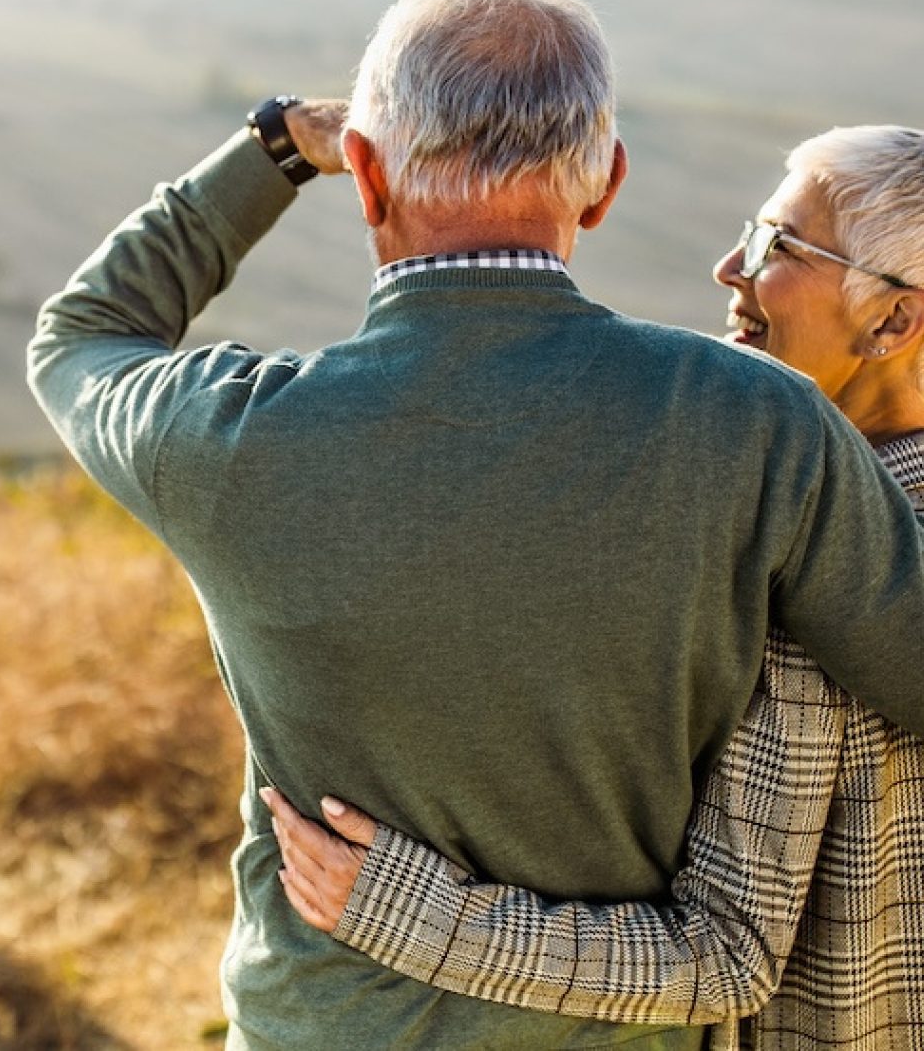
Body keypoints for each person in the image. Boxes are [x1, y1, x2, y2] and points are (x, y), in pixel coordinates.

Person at [26, 0, 924, 1049]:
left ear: (363, 176)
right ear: (602, 184)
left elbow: (81, 336)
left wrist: (272, 149)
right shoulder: (755, 422)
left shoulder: (223, 435)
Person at [266, 125, 924, 1049]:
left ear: (893, 322)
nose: (728, 265)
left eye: (778, 245)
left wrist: (412, 915)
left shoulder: (820, 563)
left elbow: (726, 954)